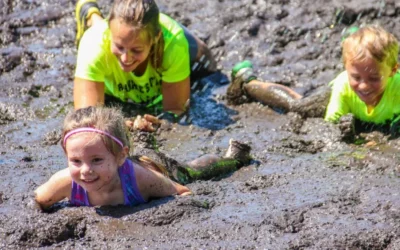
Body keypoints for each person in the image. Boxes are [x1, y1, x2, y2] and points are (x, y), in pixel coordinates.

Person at [227, 25, 400, 135]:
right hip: (338, 93)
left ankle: (353, 36)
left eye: (374, 78)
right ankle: (247, 80)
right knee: (298, 106)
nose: (364, 85)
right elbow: (330, 126)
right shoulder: (344, 86)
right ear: (346, 69)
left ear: (393, 70)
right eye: (356, 77)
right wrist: (346, 131)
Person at [73, 0, 216, 129]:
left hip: (181, 48)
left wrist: (161, 123)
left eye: (136, 50)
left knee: (208, 71)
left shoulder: (173, 44)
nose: (125, 58)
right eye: (119, 47)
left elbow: (175, 109)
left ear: (156, 38)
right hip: (100, 40)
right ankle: (91, 16)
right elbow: (87, 120)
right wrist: (120, 126)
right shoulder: (93, 44)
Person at [34, 106, 190, 209]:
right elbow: (35, 203)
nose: (86, 170)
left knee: (191, 171)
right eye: (76, 161)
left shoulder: (142, 179)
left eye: (96, 160)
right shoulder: (64, 183)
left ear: (121, 156)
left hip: (158, 165)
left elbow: (183, 192)